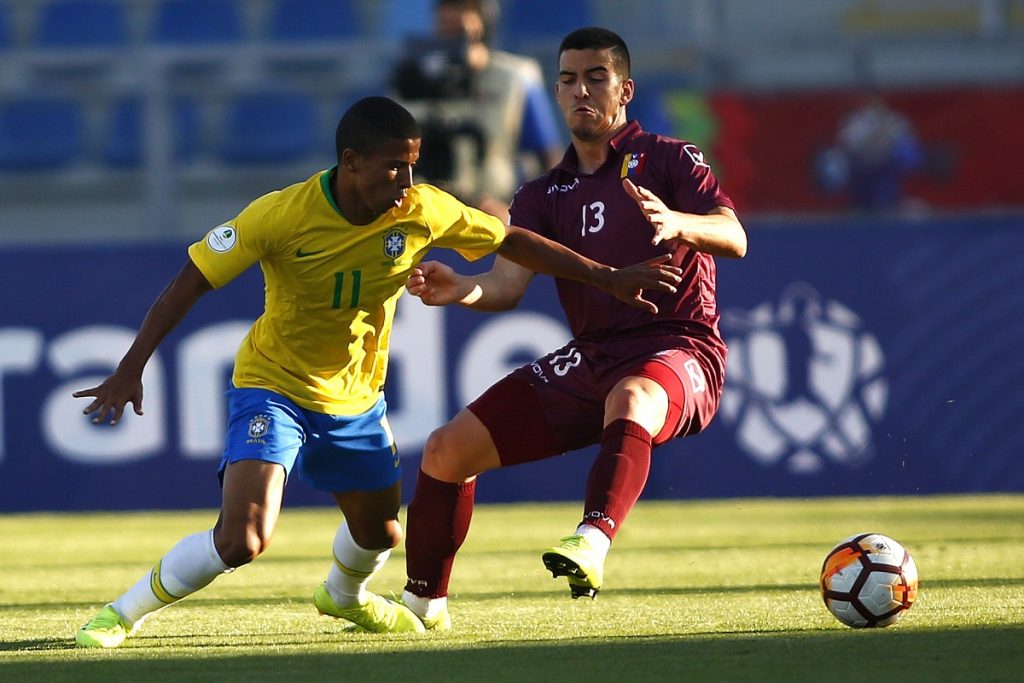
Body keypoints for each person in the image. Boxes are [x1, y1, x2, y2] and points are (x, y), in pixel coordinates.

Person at [71, 95, 683, 648]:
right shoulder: (280, 215)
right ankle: (120, 615)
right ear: (351, 162)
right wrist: (131, 367)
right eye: (394, 166)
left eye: (413, 165)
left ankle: (343, 596)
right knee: (243, 539)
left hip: (357, 401)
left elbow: (511, 243)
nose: (407, 181)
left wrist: (606, 277)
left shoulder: (421, 209)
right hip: (274, 387)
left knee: (382, 535)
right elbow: (192, 281)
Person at [398, 27, 747, 630]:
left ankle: (591, 540)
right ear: (556, 93)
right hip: (592, 355)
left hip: (680, 346)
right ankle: (422, 606)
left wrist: (680, 222)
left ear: (625, 90)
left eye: (595, 78)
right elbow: (506, 287)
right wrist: (463, 287)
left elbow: (734, 235)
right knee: (446, 449)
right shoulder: (541, 195)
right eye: (567, 79)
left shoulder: (669, 158)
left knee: (632, 397)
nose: (580, 90)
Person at [391, 0, 563, 221]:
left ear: (484, 20)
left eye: (462, 11)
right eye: (445, 15)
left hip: (491, 213)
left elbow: (548, 160)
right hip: (425, 214)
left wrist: (520, 212)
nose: (451, 20)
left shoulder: (513, 79)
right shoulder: (410, 81)